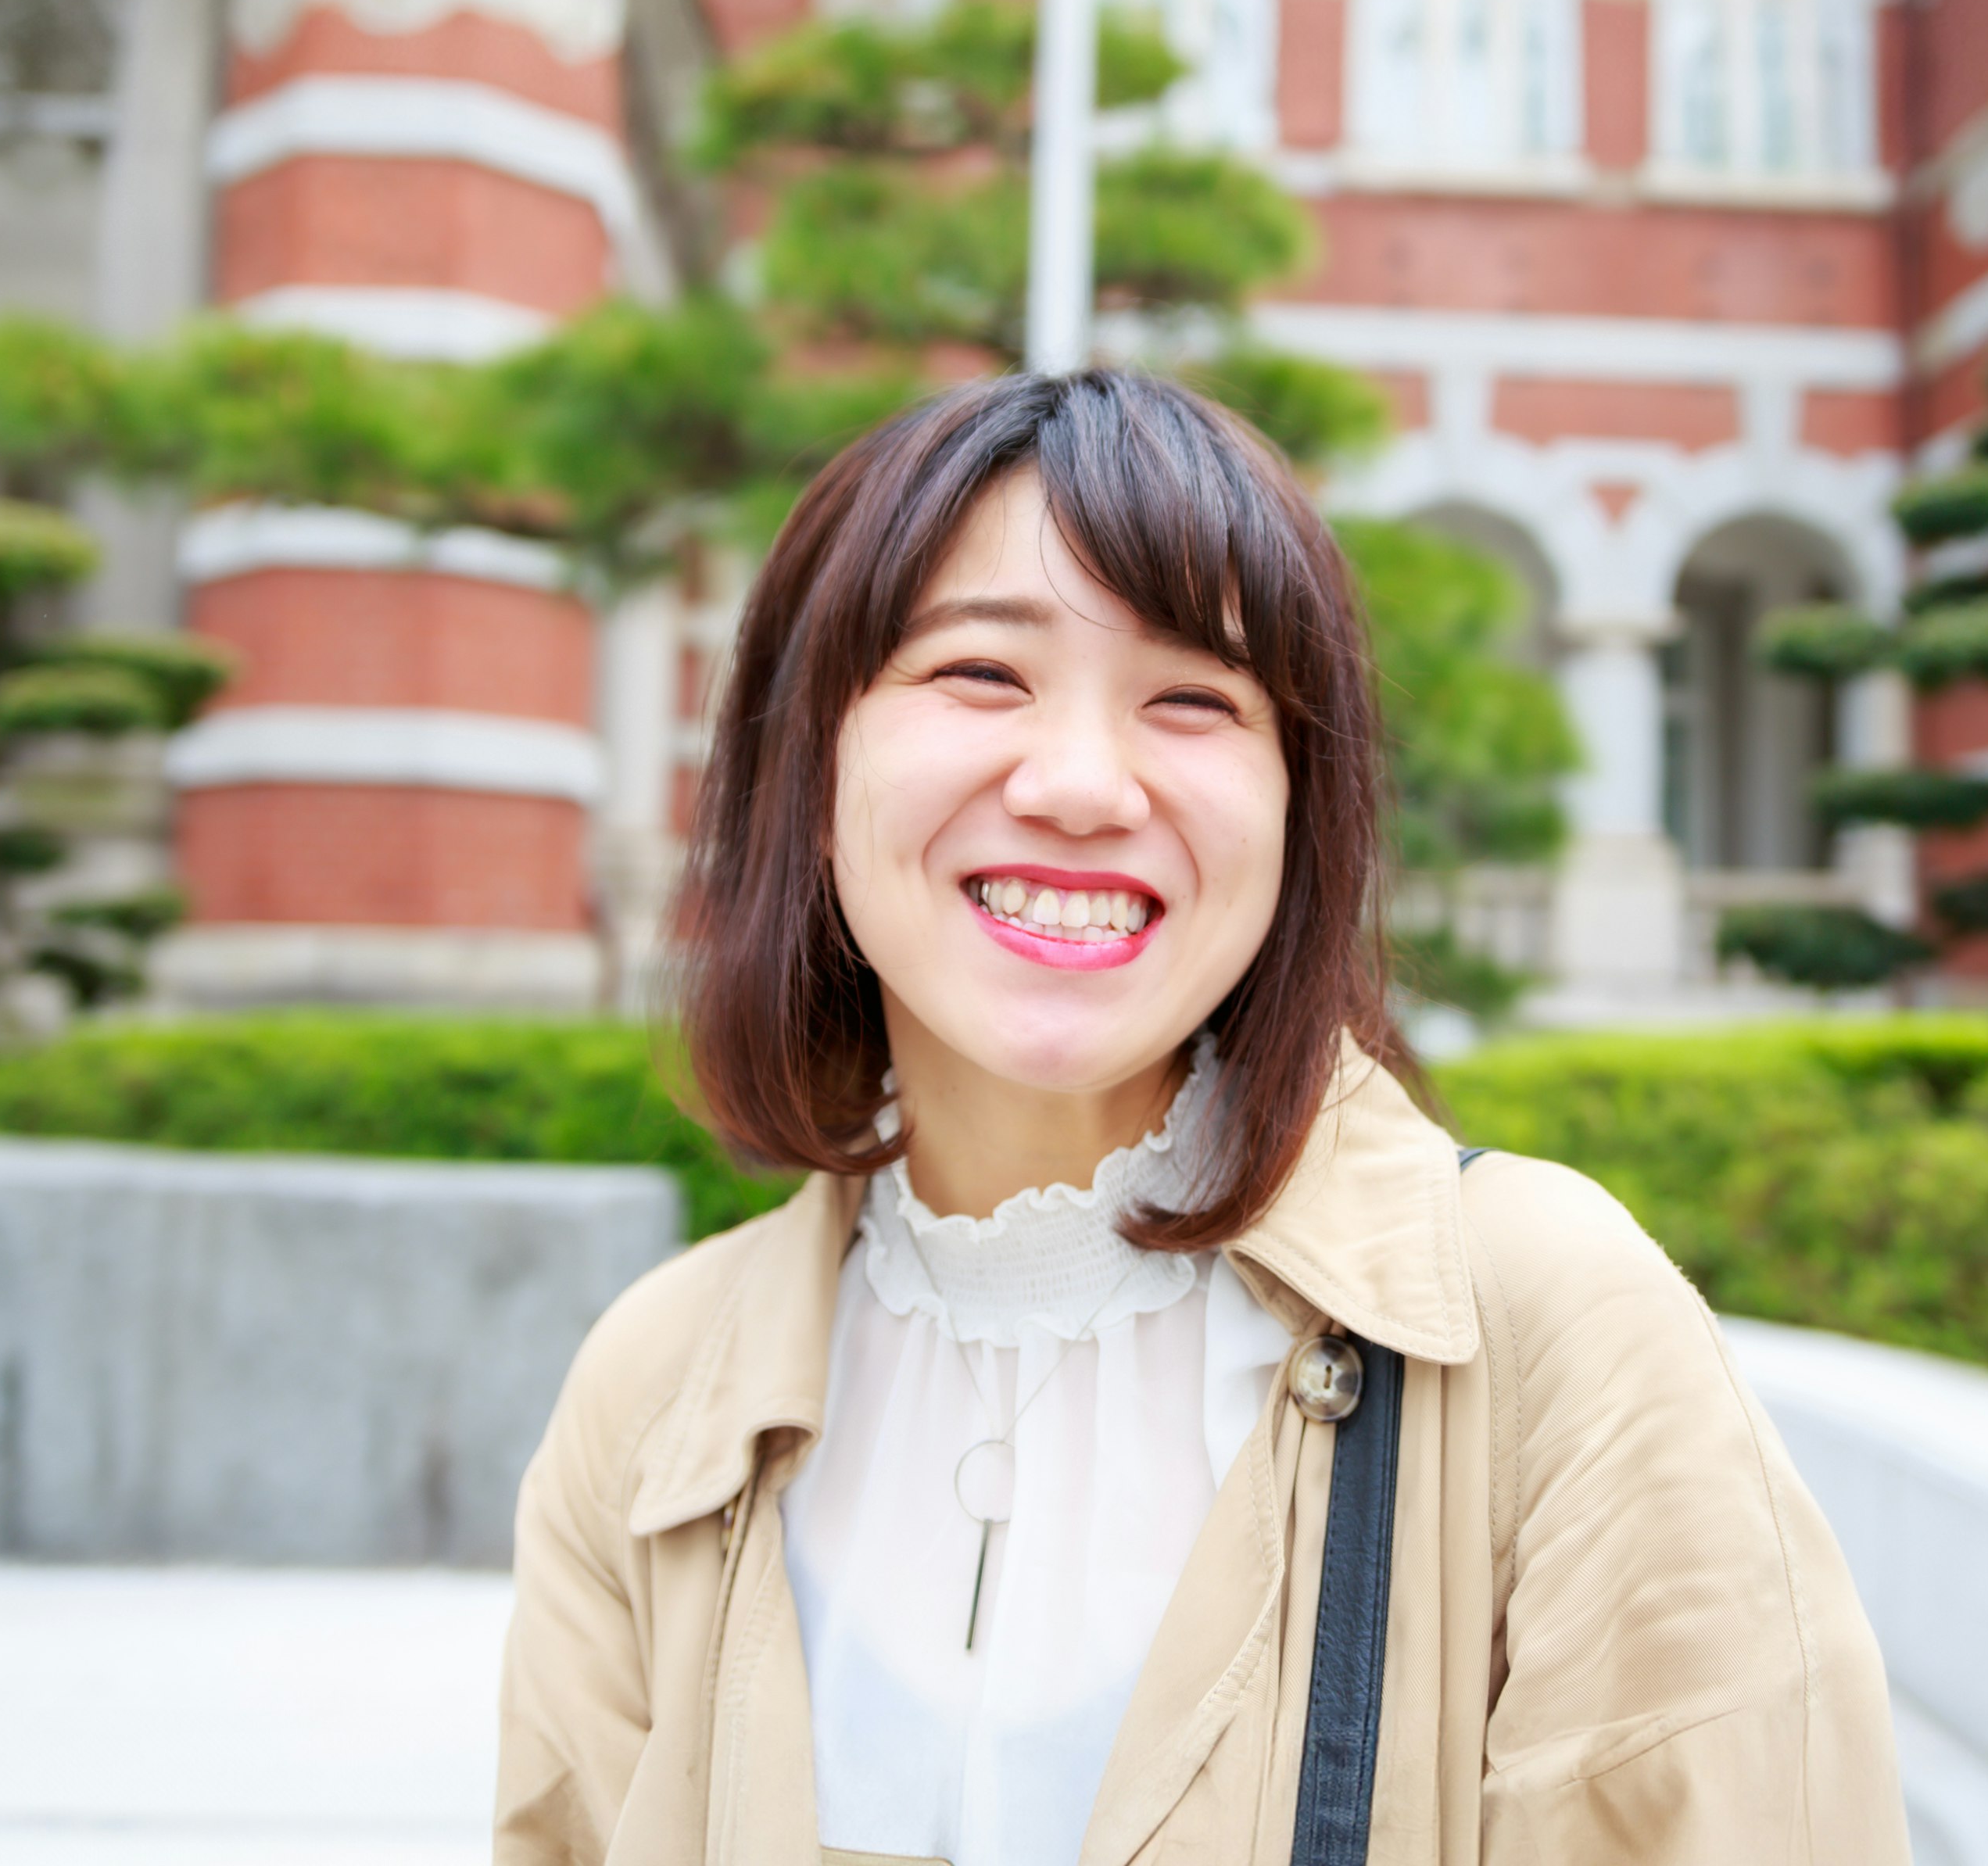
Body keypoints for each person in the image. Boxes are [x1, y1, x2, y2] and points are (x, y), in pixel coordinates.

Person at [493, 371, 1904, 1865]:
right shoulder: (658, 1389)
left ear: (1302, 809)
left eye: (1192, 699)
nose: (1086, 786)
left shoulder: (1547, 1327)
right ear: (810, 765)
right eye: (981, 673)